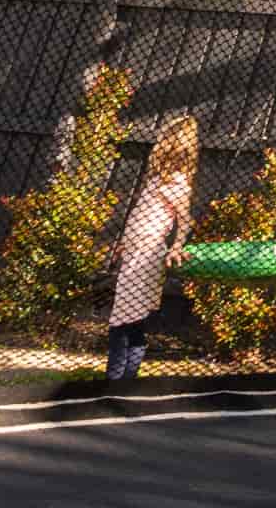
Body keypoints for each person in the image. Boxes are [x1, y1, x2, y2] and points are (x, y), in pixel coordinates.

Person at [105, 114, 201, 382]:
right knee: (129, 319)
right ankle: (124, 379)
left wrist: (176, 247)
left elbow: (185, 221)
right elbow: (140, 214)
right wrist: (124, 241)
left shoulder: (177, 183)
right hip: (135, 251)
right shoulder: (157, 180)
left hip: (147, 256)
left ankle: (117, 379)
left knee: (122, 319)